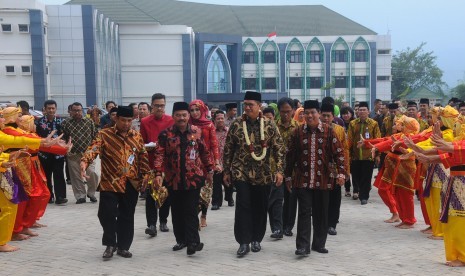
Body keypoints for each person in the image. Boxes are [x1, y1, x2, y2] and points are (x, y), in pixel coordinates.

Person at [81, 106, 150, 259]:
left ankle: (123, 247)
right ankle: (110, 243)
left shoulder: (136, 136)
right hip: (110, 182)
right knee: (107, 213)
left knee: (127, 215)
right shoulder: (104, 134)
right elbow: (93, 149)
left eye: (129, 120)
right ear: (116, 119)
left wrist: (146, 175)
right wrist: (85, 162)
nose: (126, 124)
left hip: (130, 183)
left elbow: (143, 156)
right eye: (123, 120)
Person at [223, 91, 285, 256]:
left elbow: (279, 149)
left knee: (260, 206)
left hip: (263, 173)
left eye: (251, 105)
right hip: (240, 171)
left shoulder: (269, 125)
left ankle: (256, 238)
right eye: (245, 104)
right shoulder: (237, 124)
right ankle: (243, 241)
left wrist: (279, 171)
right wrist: (227, 171)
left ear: (259, 106)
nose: (247, 107)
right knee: (243, 205)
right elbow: (228, 149)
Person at [285, 100, 346, 256]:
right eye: (307, 112)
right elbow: (290, 156)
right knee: (304, 212)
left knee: (321, 213)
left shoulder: (329, 131)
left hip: (323, 179)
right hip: (302, 179)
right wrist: (287, 176)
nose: (310, 115)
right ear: (303, 114)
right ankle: (302, 246)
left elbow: (339, 153)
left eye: (313, 112)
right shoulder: (297, 132)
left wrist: (341, 173)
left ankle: (319, 244)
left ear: (319, 113)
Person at [154, 102, 214, 255]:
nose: (181, 118)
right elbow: (159, 155)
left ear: (188, 116)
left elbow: (204, 152)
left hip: (193, 179)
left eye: (184, 115)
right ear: (173, 116)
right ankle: (181, 240)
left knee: (190, 210)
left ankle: (193, 242)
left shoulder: (197, 132)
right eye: (178, 115)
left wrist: (210, 169)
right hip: (173, 180)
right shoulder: (165, 134)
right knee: (177, 211)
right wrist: (158, 174)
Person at [140, 93, 174, 236]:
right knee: (151, 195)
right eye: (157, 105)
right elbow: (141, 142)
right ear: (151, 106)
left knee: (166, 194)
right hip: (151, 162)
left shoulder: (171, 120)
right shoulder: (145, 121)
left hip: (167, 164)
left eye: (162, 105)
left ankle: (163, 221)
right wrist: (148, 147)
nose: (160, 108)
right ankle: (151, 224)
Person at [188, 99, 220, 228]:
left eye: (197, 110)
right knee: (193, 191)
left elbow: (214, 144)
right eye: (192, 110)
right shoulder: (187, 125)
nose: (195, 113)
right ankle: (193, 217)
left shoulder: (209, 125)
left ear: (202, 110)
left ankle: (203, 216)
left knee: (206, 190)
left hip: (207, 162)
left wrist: (216, 162)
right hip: (191, 162)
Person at [320, 103, 349, 236]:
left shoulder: (340, 130)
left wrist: (345, 171)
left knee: (335, 198)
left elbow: (345, 150)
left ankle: (332, 224)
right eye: (323, 115)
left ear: (333, 116)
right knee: (321, 199)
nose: (325, 118)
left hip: (336, 170)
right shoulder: (315, 129)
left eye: (328, 116)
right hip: (320, 171)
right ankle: (322, 223)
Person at [62, 102, 99, 204]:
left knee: (92, 173)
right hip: (73, 154)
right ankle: (80, 196)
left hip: (88, 154)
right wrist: (66, 150)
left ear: (82, 110)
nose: (77, 112)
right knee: (76, 176)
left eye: (79, 110)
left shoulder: (89, 122)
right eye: (75, 110)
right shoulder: (66, 123)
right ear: (71, 111)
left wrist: (94, 151)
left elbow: (95, 136)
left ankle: (91, 193)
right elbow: (63, 138)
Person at [347, 102, 381, 204]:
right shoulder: (352, 124)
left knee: (366, 177)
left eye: (364, 110)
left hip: (368, 156)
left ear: (368, 111)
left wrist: (378, 155)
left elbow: (378, 139)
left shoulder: (373, 124)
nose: (361, 112)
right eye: (360, 110)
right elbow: (349, 140)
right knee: (356, 176)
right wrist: (348, 155)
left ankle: (364, 196)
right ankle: (358, 190)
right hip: (355, 156)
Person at [35, 100, 68, 205]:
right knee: (46, 176)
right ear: (44, 109)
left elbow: (66, 135)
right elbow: (36, 137)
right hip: (44, 154)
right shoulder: (39, 122)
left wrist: (64, 143)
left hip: (58, 154)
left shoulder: (61, 121)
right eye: (49, 108)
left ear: (56, 109)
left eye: (53, 108)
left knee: (59, 175)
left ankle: (60, 197)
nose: (51, 110)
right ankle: (48, 196)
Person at [276, 97, 299, 238]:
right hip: (276, 169)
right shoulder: (272, 127)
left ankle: (288, 226)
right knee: (276, 199)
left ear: (293, 111)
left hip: (293, 169)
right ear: (279, 111)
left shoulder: (298, 127)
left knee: (291, 198)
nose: (285, 114)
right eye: (283, 111)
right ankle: (277, 226)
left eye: (288, 111)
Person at [211, 110, 232, 209]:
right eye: (218, 118)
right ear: (214, 120)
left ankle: (229, 198)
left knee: (228, 182)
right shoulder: (211, 131)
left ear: (224, 119)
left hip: (227, 161)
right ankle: (216, 202)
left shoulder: (229, 131)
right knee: (216, 183)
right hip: (216, 161)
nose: (220, 120)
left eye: (222, 118)